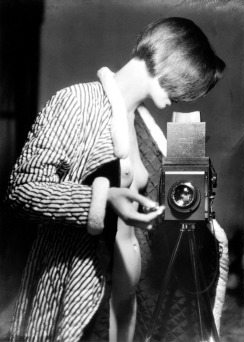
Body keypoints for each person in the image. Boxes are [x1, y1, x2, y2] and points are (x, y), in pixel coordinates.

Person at [5, 17, 227, 342]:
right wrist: (102, 200)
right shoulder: (77, 102)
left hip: (133, 305)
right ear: (174, 61)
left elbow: (167, 214)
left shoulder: (141, 126)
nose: (191, 96)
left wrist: (192, 181)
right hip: (84, 297)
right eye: (193, 82)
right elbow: (21, 191)